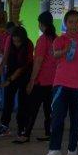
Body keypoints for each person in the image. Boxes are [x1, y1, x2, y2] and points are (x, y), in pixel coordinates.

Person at [43, 9, 78, 155]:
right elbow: (55, 55)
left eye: (76, 22)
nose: (74, 25)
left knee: (76, 120)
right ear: (65, 23)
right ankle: (54, 149)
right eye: (70, 22)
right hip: (61, 84)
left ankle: (72, 148)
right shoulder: (60, 40)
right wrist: (65, 50)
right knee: (57, 118)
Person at [16, 12, 58, 144]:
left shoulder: (43, 40)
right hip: (54, 80)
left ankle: (26, 134)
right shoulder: (56, 39)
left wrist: (32, 80)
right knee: (48, 109)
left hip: (41, 80)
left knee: (32, 109)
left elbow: (38, 61)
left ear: (41, 23)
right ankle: (48, 133)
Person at [0, 26, 33, 139]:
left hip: (25, 73)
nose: (16, 44)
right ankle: (4, 126)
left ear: (23, 39)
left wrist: (9, 80)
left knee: (23, 101)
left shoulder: (29, 44)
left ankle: (22, 127)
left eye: (18, 41)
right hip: (11, 70)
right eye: (14, 41)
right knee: (8, 100)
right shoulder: (9, 40)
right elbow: (4, 59)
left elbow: (22, 67)